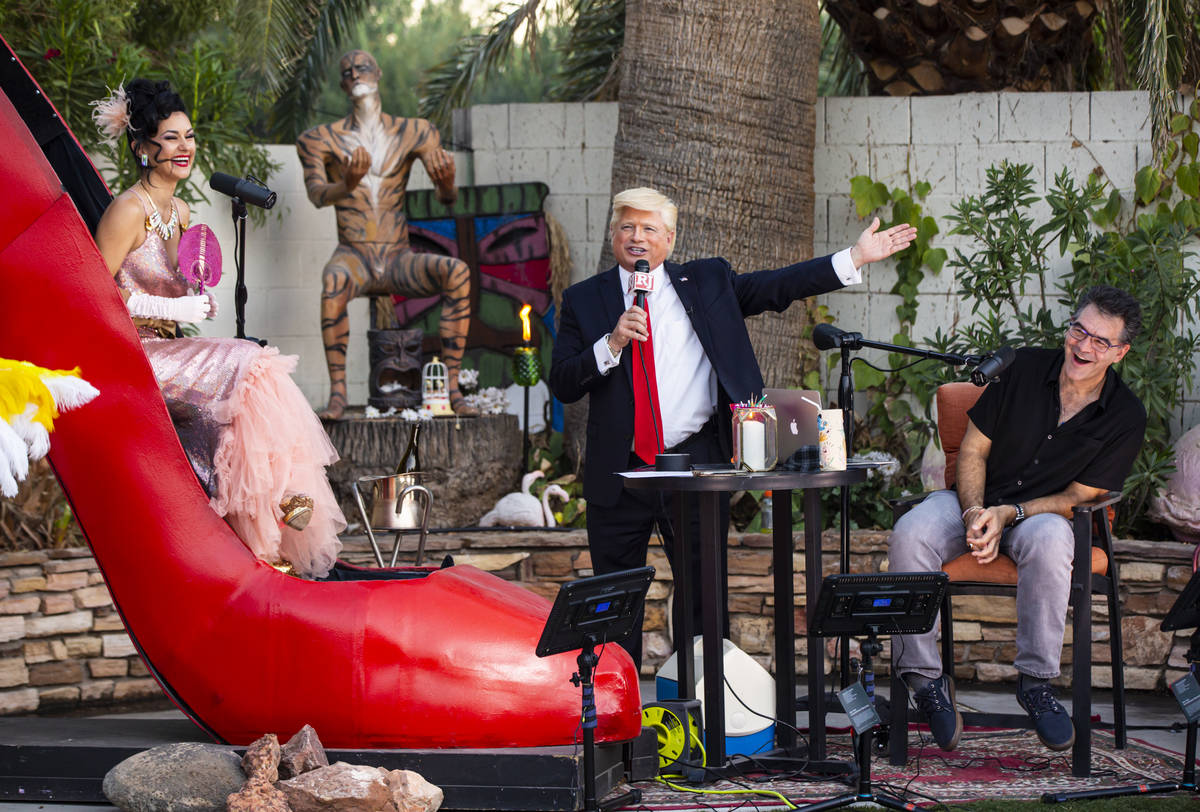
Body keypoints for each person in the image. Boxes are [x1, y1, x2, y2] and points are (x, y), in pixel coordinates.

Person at [548, 186, 917, 668]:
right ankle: (617, 707)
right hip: (621, 470)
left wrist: (855, 256)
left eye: (649, 228)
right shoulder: (583, 299)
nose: (637, 237)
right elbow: (563, 382)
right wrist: (611, 343)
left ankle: (702, 702)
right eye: (627, 227)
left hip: (696, 462)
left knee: (704, 596)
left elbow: (778, 286)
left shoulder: (707, 282)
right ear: (613, 234)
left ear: (670, 239)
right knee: (613, 603)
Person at [92, 79, 346, 579]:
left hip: (170, 347)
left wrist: (196, 296)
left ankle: (274, 516)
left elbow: (182, 284)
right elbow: (94, 294)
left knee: (250, 370)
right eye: (170, 137)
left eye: (189, 136)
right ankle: (280, 502)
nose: (184, 147)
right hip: (132, 354)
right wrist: (172, 305)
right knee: (249, 361)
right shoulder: (127, 210)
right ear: (142, 147)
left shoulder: (181, 211)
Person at [888, 285, 1146, 753]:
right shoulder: (1021, 368)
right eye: (1079, 331)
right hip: (975, 499)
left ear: (1120, 352)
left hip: (1039, 516)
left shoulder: (1125, 414)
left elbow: (1078, 497)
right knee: (911, 532)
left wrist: (1011, 514)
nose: (1084, 346)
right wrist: (974, 511)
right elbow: (973, 450)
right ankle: (925, 681)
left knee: (1051, 539)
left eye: (1100, 341)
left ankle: (1035, 683)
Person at [296, 49, 474, 419]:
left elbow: (447, 199)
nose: (355, 74)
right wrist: (347, 183)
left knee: (458, 272)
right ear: (342, 84)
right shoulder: (319, 139)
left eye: (362, 67)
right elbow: (317, 195)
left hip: (398, 257)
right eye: (347, 71)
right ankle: (338, 395)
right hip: (355, 256)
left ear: (377, 73)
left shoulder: (416, 132)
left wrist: (447, 183)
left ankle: (453, 389)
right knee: (333, 280)